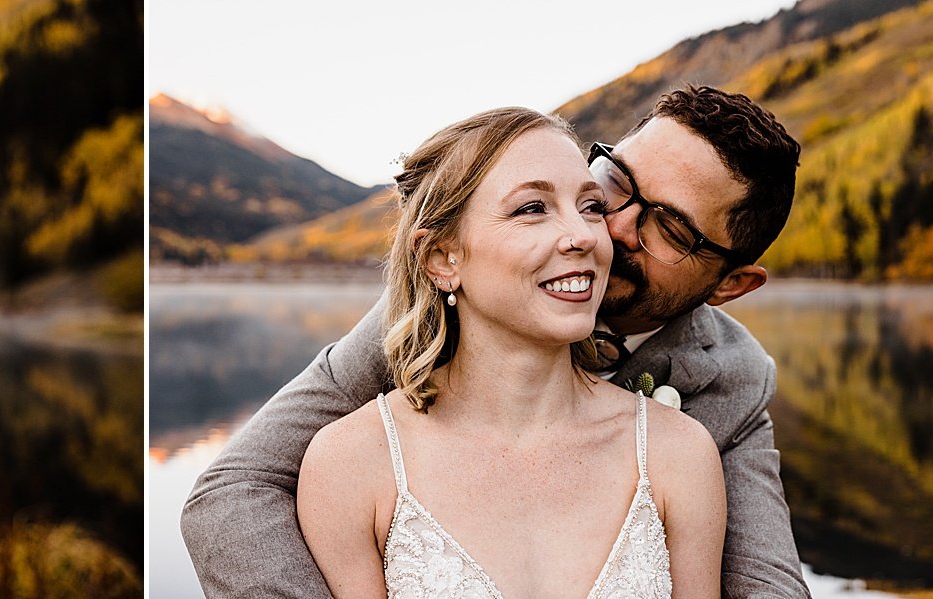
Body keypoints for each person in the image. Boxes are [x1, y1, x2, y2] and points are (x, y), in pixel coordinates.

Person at [184, 85, 809, 597]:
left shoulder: (730, 381)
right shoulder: (420, 322)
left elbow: (767, 584)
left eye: (669, 227)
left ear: (730, 284)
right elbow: (232, 493)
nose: (609, 229)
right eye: (613, 184)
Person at [297, 107, 724, 597]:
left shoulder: (678, 454)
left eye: (590, 207)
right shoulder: (350, 465)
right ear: (441, 258)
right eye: (532, 208)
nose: (585, 235)